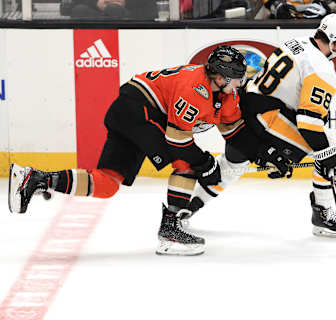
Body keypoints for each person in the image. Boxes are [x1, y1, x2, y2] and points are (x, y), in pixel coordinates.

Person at [8, 45, 263, 256]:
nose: (242, 81)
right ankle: (170, 233)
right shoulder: (194, 89)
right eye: (238, 75)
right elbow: (177, 141)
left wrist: (263, 153)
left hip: (131, 111)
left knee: (107, 183)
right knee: (186, 163)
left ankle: (36, 179)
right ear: (222, 76)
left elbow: (234, 130)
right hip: (137, 110)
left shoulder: (225, 95)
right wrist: (206, 163)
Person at [183, 13, 336, 238]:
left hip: (243, 108)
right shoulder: (321, 68)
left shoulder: (295, 42)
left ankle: (186, 208)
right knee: (333, 147)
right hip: (266, 120)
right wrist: (326, 154)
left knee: (233, 164)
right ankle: (322, 213)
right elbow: (309, 123)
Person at [264, 0, 336, 19]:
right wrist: (278, 7)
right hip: (290, 23)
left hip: (328, 22)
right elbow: (269, 3)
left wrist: (329, 7)